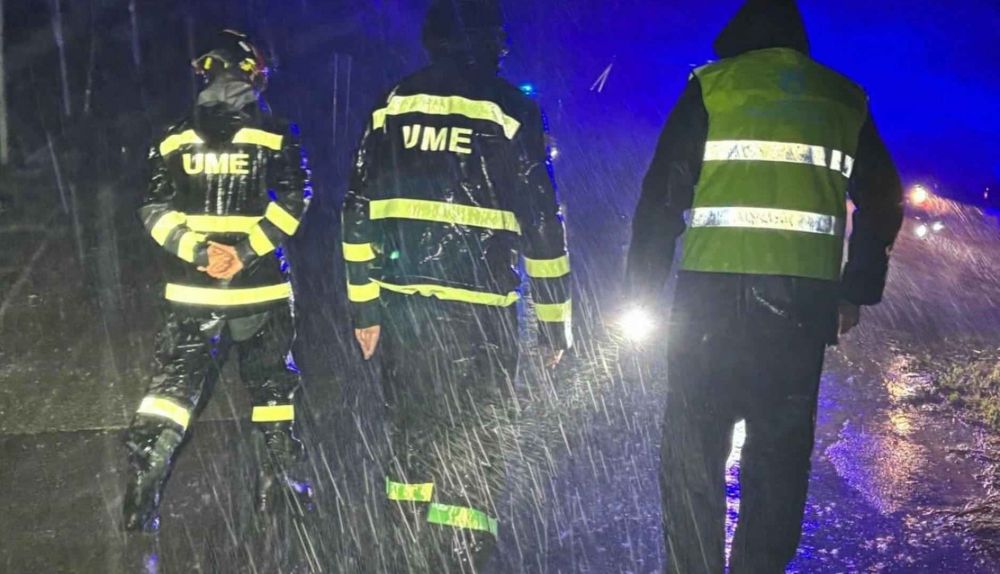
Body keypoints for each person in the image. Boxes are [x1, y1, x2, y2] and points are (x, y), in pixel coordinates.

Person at [624, 1, 903, 572]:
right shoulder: (843, 98)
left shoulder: (711, 87)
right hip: (800, 311)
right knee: (778, 462)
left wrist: (643, 292)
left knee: (693, 455)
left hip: (706, 309)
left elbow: (662, 198)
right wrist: (854, 290)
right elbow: (882, 200)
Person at [341, 1, 572, 570]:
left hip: (402, 305)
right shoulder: (511, 108)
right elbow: (542, 221)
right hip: (481, 309)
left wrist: (364, 307)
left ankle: (404, 549)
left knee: (411, 431)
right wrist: (554, 322)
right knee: (476, 441)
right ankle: (461, 558)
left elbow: (356, 210)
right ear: (494, 41)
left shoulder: (393, 103)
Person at [123, 29, 314, 532]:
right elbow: (296, 200)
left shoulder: (173, 135)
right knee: (271, 386)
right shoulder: (277, 132)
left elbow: (152, 207)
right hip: (261, 289)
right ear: (251, 72)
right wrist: (245, 252)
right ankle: (278, 487)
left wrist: (199, 252)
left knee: (173, 388)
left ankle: (142, 493)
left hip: (192, 290)